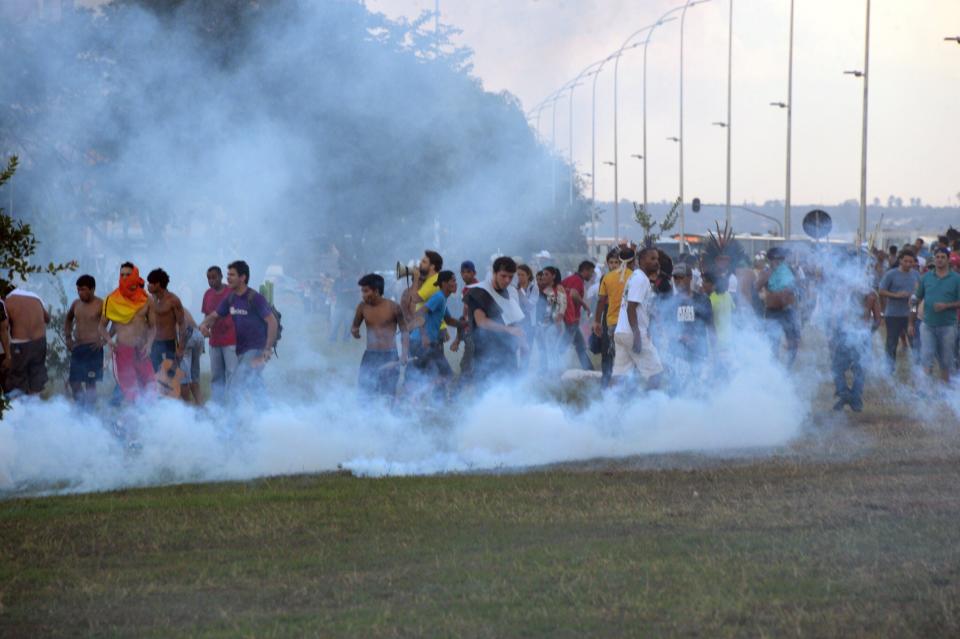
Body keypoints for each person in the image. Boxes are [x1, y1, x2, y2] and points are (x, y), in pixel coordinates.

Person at [199, 260, 279, 394]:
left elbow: (272, 322)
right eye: (228, 274)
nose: (228, 278)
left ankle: (233, 415)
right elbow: (215, 315)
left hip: (256, 350)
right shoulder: (231, 298)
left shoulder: (255, 298)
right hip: (241, 350)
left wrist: (267, 348)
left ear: (243, 278)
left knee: (236, 385)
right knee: (254, 384)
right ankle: (267, 413)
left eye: (232, 275)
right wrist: (203, 324)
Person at [828, 260, 882, 412]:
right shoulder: (845, 291)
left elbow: (877, 319)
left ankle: (850, 395)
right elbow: (877, 319)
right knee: (845, 368)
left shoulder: (869, 294)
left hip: (856, 335)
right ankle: (849, 395)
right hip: (850, 334)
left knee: (851, 368)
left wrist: (866, 332)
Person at [465, 256, 526, 384]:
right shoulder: (479, 292)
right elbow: (481, 321)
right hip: (486, 352)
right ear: (494, 273)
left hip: (508, 351)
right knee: (487, 392)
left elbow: (514, 321)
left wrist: (522, 341)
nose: (507, 280)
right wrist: (507, 329)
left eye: (510, 277)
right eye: (503, 276)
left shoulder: (510, 292)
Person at [100, 262, 154, 402]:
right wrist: (109, 340)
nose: (124, 277)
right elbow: (101, 327)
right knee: (131, 392)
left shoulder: (147, 300)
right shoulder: (112, 300)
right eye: (122, 275)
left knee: (150, 389)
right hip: (122, 350)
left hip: (141, 350)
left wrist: (149, 344)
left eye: (128, 275)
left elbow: (152, 327)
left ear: (135, 275)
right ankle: (129, 421)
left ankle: (148, 421)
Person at [350, 273, 409, 400]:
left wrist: (404, 354)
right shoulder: (362, 307)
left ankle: (388, 418)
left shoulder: (394, 307)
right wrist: (355, 330)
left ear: (376, 291)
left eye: (366, 291)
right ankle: (366, 418)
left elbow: (404, 331)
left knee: (388, 393)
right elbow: (355, 325)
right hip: (370, 356)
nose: (363, 295)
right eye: (362, 291)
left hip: (390, 355)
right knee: (365, 392)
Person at [612, 247, 663, 388]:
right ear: (641, 261)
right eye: (652, 259)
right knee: (655, 374)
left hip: (621, 332)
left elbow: (640, 308)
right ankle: (650, 406)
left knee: (619, 376)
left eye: (657, 259)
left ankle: (608, 404)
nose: (656, 262)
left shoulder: (635, 277)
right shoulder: (640, 279)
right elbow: (631, 307)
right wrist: (637, 334)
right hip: (632, 333)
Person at [909, 247, 960, 383]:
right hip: (927, 325)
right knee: (926, 357)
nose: (940, 259)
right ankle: (925, 390)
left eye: (943, 257)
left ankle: (945, 389)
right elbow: (916, 299)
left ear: (948, 260)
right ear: (934, 259)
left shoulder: (956, 279)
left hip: (948, 326)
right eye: (937, 257)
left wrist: (946, 306)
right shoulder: (926, 277)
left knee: (945, 360)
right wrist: (911, 321)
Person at [662, 263, 714, 388]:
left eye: (681, 277)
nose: (678, 281)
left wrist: (715, 352)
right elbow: (666, 328)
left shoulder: (703, 300)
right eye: (676, 278)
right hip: (677, 353)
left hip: (699, 352)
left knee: (698, 387)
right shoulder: (670, 303)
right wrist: (680, 336)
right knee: (677, 388)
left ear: (690, 277)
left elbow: (711, 327)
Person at [409, 271, 459, 392]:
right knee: (445, 374)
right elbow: (419, 313)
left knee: (421, 375)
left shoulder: (443, 299)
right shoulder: (438, 297)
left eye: (455, 280)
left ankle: (416, 398)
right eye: (452, 280)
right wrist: (424, 335)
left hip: (425, 343)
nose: (455, 283)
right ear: (444, 283)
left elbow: (449, 320)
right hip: (421, 343)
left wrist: (467, 324)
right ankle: (419, 394)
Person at [2, 286, 50, 397]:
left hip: (20, 344)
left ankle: (20, 411)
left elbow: (4, 327)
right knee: (36, 378)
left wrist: (8, 356)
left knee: (17, 380)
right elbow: (47, 318)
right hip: (40, 342)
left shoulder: (7, 301)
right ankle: (36, 409)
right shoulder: (35, 297)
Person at [64, 274, 104, 407]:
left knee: (90, 383)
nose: (80, 292)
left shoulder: (101, 304)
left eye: (83, 289)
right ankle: (81, 409)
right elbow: (68, 319)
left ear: (92, 289)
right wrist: (68, 338)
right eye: (78, 290)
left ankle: (90, 415)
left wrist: (104, 340)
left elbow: (115, 323)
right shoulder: (76, 303)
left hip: (94, 349)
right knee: (74, 382)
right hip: (78, 348)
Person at [878, 249, 920, 373]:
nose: (908, 263)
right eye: (905, 261)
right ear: (900, 260)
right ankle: (889, 369)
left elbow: (919, 292)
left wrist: (914, 297)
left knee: (915, 342)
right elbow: (881, 291)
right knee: (891, 342)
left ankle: (918, 370)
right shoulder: (891, 274)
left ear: (914, 262)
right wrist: (896, 295)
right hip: (893, 314)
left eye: (910, 262)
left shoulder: (916, 274)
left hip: (911, 313)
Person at [593, 248, 631, 386]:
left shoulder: (628, 276)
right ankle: (606, 380)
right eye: (611, 262)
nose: (614, 265)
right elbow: (601, 300)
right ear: (607, 263)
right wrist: (597, 320)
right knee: (606, 350)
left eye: (616, 262)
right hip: (608, 316)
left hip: (624, 314)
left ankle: (622, 382)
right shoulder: (605, 278)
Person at [757, 246, 800, 366]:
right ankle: (775, 369)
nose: (779, 262)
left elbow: (798, 288)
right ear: (771, 260)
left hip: (788, 311)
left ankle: (788, 368)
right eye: (777, 259)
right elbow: (756, 288)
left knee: (793, 342)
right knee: (773, 342)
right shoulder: (765, 273)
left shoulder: (789, 271)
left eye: (781, 259)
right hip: (772, 312)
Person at [201, 266, 237, 402]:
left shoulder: (231, 292)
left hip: (231, 340)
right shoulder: (207, 294)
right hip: (214, 342)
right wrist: (205, 327)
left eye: (214, 277)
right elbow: (207, 315)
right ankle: (217, 407)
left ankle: (235, 407)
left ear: (221, 277)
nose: (211, 281)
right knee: (216, 376)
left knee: (232, 374)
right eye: (209, 278)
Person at [144, 269, 187, 372]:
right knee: (155, 374)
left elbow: (182, 324)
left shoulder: (173, 300)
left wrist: (180, 348)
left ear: (158, 284)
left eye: (151, 283)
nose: (148, 286)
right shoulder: (149, 300)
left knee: (170, 376)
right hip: (155, 343)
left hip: (169, 343)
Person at [560, 261, 595, 370]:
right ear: (585, 271)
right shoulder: (578, 280)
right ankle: (553, 364)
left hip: (569, 317)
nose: (592, 275)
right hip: (571, 318)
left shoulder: (570, 279)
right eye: (591, 272)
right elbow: (573, 294)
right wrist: (585, 306)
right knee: (564, 345)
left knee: (580, 345)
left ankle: (589, 369)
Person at [450, 260, 480, 380]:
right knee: (470, 361)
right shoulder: (465, 289)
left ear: (474, 273)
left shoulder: (478, 288)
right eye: (463, 272)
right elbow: (465, 312)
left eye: (468, 272)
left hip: (476, 330)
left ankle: (467, 388)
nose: (465, 275)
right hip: (469, 328)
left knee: (469, 362)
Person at [536, 266, 566, 372]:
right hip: (545, 324)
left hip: (553, 324)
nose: (543, 276)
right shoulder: (545, 289)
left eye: (546, 274)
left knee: (552, 350)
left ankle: (554, 373)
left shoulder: (557, 289)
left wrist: (557, 323)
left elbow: (559, 308)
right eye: (543, 274)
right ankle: (550, 372)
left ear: (553, 276)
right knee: (546, 350)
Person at [178, 309, 205, 404]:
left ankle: (186, 411)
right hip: (197, 335)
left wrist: (180, 348)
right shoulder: (176, 303)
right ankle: (202, 409)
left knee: (183, 380)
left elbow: (183, 326)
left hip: (186, 336)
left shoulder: (164, 304)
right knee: (194, 380)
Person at [515, 264, 539, 370]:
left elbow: (529, 305)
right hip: (516, 321)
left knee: (527, 348)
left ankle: (523, 372)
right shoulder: (513, 287)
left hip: (529, 322)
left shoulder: (534, 288)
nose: (520, 277)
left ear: (528, 275)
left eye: (522, 275)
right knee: (515, 347)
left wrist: (520, 292)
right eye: (518, 275)